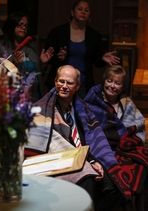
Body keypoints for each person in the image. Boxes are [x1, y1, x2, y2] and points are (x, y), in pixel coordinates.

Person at [26, 65, 135, 210]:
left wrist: (94, 160)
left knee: (114, 186)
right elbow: (51, 143)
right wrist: (88, 161)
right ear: (55, 82)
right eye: (61, 81)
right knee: (88, 179)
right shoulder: (42, 110)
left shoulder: (82, 108)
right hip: (59, 160)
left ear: (77, 86)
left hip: (83, 156)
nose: (64, 86)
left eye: (69, 83)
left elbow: (93, 137)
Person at [84, 65, 148, 211]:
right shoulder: (92, 102)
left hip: (123, 149)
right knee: (114, 183)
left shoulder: (126, 102)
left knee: (142, 170)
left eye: (117, 83)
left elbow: (137, 125)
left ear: (122, 86)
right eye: (109, 81)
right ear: (104, 81)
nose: (112, 86)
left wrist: (126, 141)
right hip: (100, 150)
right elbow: (90, 131)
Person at [40, 0, 120, 97]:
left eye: (86, 10)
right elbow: (50, 59)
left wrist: (102, 57)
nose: (83, 12)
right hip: (61, 84)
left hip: (83, 84)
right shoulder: (58, 32)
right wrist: (57, 58)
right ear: (72, 12)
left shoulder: (94, 35)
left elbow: (97, 62)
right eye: (80, 9)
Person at [0, 11, 45, 102]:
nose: (23, 27)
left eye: (26, 25)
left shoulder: (32, 45)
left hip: (33, 96)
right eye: (20, 24)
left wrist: (42, 62)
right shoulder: (0, 45)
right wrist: (14, 63)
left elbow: (37, 73)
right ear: (12, 25)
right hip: (13, 96)